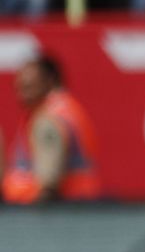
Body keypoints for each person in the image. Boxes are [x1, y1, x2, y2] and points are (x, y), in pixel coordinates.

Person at [4, 54, 102, 204]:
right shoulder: (68, 109)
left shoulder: (47, 119)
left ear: (49, 81)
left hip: (55, 212)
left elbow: (49, 184)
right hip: (79, 206)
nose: (21, 95)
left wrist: (38, 218)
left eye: (28, 87)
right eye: (18, 88)